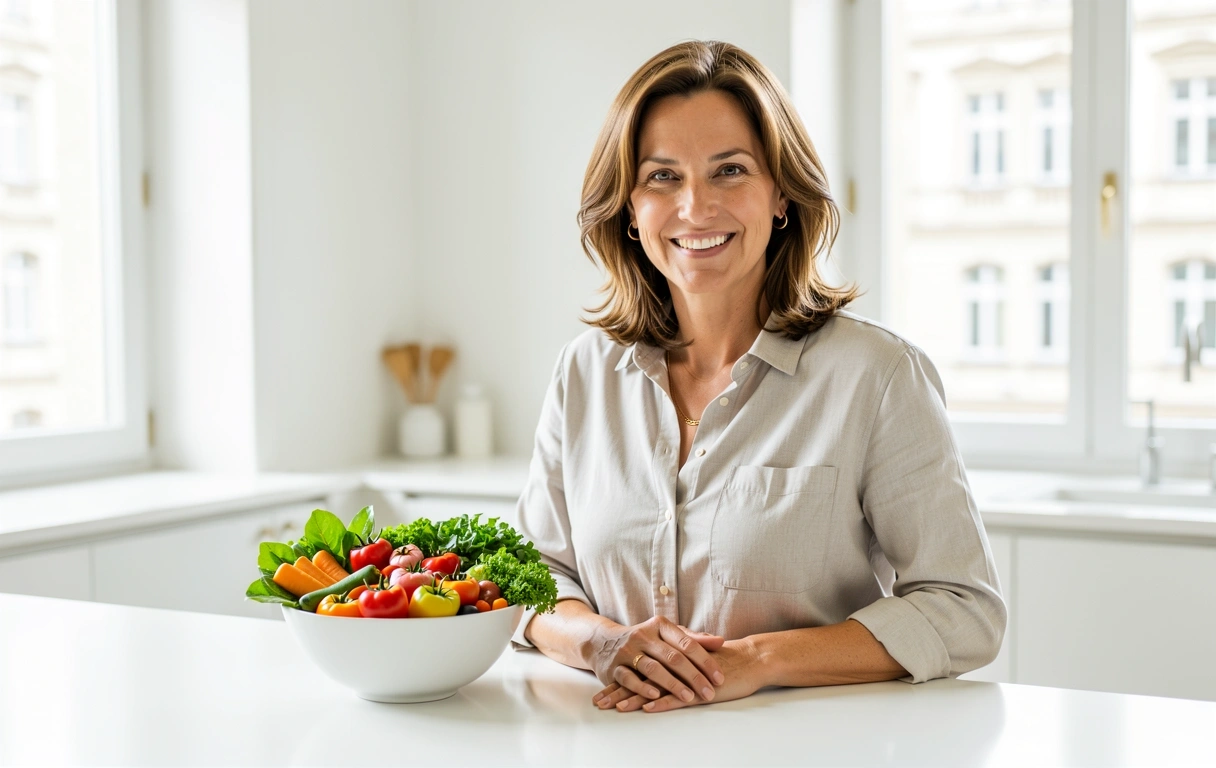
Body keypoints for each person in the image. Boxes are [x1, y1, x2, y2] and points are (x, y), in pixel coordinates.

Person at [509, 40, 1006, 714]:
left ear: (781, 195)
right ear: (629, 208)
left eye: (730, 171)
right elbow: (531, 578)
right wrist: (602, 642)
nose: (695, 207)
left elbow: (964, 609)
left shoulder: (879, 377)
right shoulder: (583, 373)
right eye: (663, 177)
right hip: (613, 744)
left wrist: (758, 661)